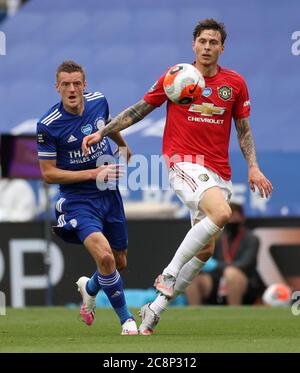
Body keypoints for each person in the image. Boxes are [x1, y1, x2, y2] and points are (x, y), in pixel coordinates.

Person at [82, 19, 273, 334]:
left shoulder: (234, 83)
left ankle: (154, 309)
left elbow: (243, 130)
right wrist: (104, 131)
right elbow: (141, 109)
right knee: (222, 213)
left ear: (222, 48)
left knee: (205, 251)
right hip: (184, 162)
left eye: (213, 42)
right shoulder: (176, 77)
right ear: (194, 45)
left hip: (218, 172)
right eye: (202, 41)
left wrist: (252, 165)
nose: (207, 47)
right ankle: (168, 274)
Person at [36, 60, 138, 335]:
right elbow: (48, 174)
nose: (72, 89)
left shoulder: (98, 101)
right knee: (105, 258)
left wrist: (123, 145)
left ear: (85, 85)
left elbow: (107, 124)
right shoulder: (48, 125)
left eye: (76, 83)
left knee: (118, 262)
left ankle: (89, 287)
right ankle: (127, 321)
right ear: (57, 87)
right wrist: (92, 173)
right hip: (78, 199)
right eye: (65, 84)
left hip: (108, 191)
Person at [185, 202, 262, 305]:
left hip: (244, 282)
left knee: (231, 273)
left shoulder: (251, 239)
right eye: (229, 217)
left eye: (235, 217)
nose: (232, 221)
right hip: (218, 280)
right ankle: (194, 314)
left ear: (242, 218)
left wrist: (217, 265)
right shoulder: (218, 238)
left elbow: (246, 263)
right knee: (192, 276)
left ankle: (234, 314)